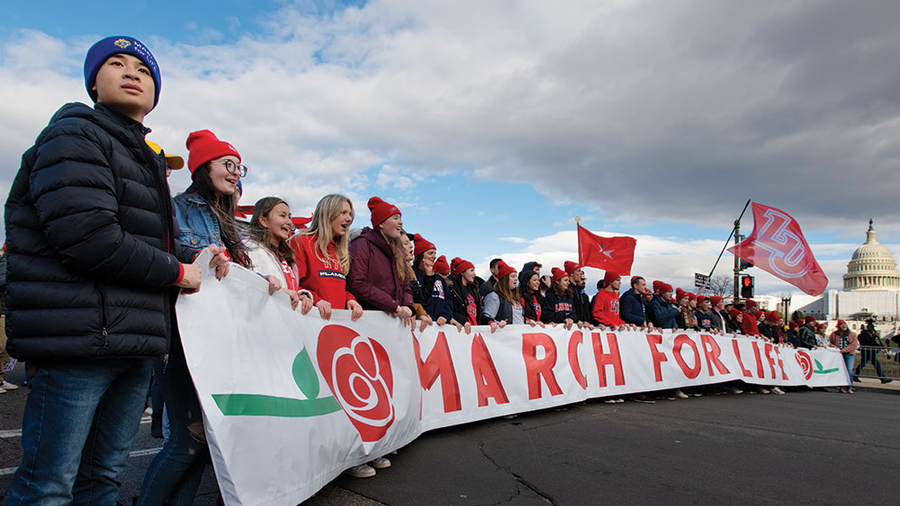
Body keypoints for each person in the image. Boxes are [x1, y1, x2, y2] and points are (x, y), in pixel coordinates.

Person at [4, 36, 214, 505]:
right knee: (47, 486)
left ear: (155, 92)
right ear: (93, 85)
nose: (131, 72)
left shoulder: (144, 157)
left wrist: (200, 262)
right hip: (79, 342)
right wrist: (178, 272)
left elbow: (146, 241)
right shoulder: (75, 136)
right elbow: (89, 238)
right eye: (115, 64)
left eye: (143, 69)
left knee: (102, 479)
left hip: (133, 343)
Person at [138, 129, 249, 506]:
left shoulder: (227, 218)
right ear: (203, 167)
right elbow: (167, 252)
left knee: (204, 442)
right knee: (187, 439)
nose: (235, 172)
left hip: (218, 340)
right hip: (183, 339)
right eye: (228, 164)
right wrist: (203, 256)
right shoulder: (177, 207)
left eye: (239, 167)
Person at [289, 194, 364, 321]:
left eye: (350, 214)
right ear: (327, 214)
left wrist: (350, 299)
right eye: (343, 213)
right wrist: (316, 300)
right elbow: (292, 285)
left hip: (335, 326)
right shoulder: (301, 242)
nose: (349, 218)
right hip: (309, 322)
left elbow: (337, 289)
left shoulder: (340, 251)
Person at [246, 197, 313, 311]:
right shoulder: (250, 249)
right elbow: (245, 283)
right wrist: (278, 290)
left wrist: (301, 296)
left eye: (289, 217)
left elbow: (288, 288)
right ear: (264, 221)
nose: (289, 222)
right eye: (282, 216)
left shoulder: (286, 256)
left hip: (283, 320)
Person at [481, 261, 523, 332]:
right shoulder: (495, 296)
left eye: (516, 276)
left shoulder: (516, 297)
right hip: (505, 336)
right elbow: (486, 317)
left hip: (519, 336)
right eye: (512, 276)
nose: (516, 279)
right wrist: (495, 323)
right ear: (505, 279)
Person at [449, 257, 481, 333]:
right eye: (471, 270)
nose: (474, 274)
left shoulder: (474, 291)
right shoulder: (453, 289)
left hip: (474, 330)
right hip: (461, 330)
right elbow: (450, 311)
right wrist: (463, 321)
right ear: (462, 272)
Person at [829, 320, 859, 393]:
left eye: (844, 324)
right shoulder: (834, 334)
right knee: (841, 371)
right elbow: (830, 342)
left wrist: (845, 350)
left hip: (849, 354)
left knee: (849, 370)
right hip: (839, 355)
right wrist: (834, 347)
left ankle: (849, 387)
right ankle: (841, 386)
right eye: (841, 325)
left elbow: (854, 344)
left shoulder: (852, 334)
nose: (843, 326)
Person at [565, 261, 594, 327]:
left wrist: (586, 321)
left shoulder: (579, 291)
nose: (581, 273)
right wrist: (576, 320)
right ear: (571, 273)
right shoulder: (567, 290)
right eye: (578, 271)